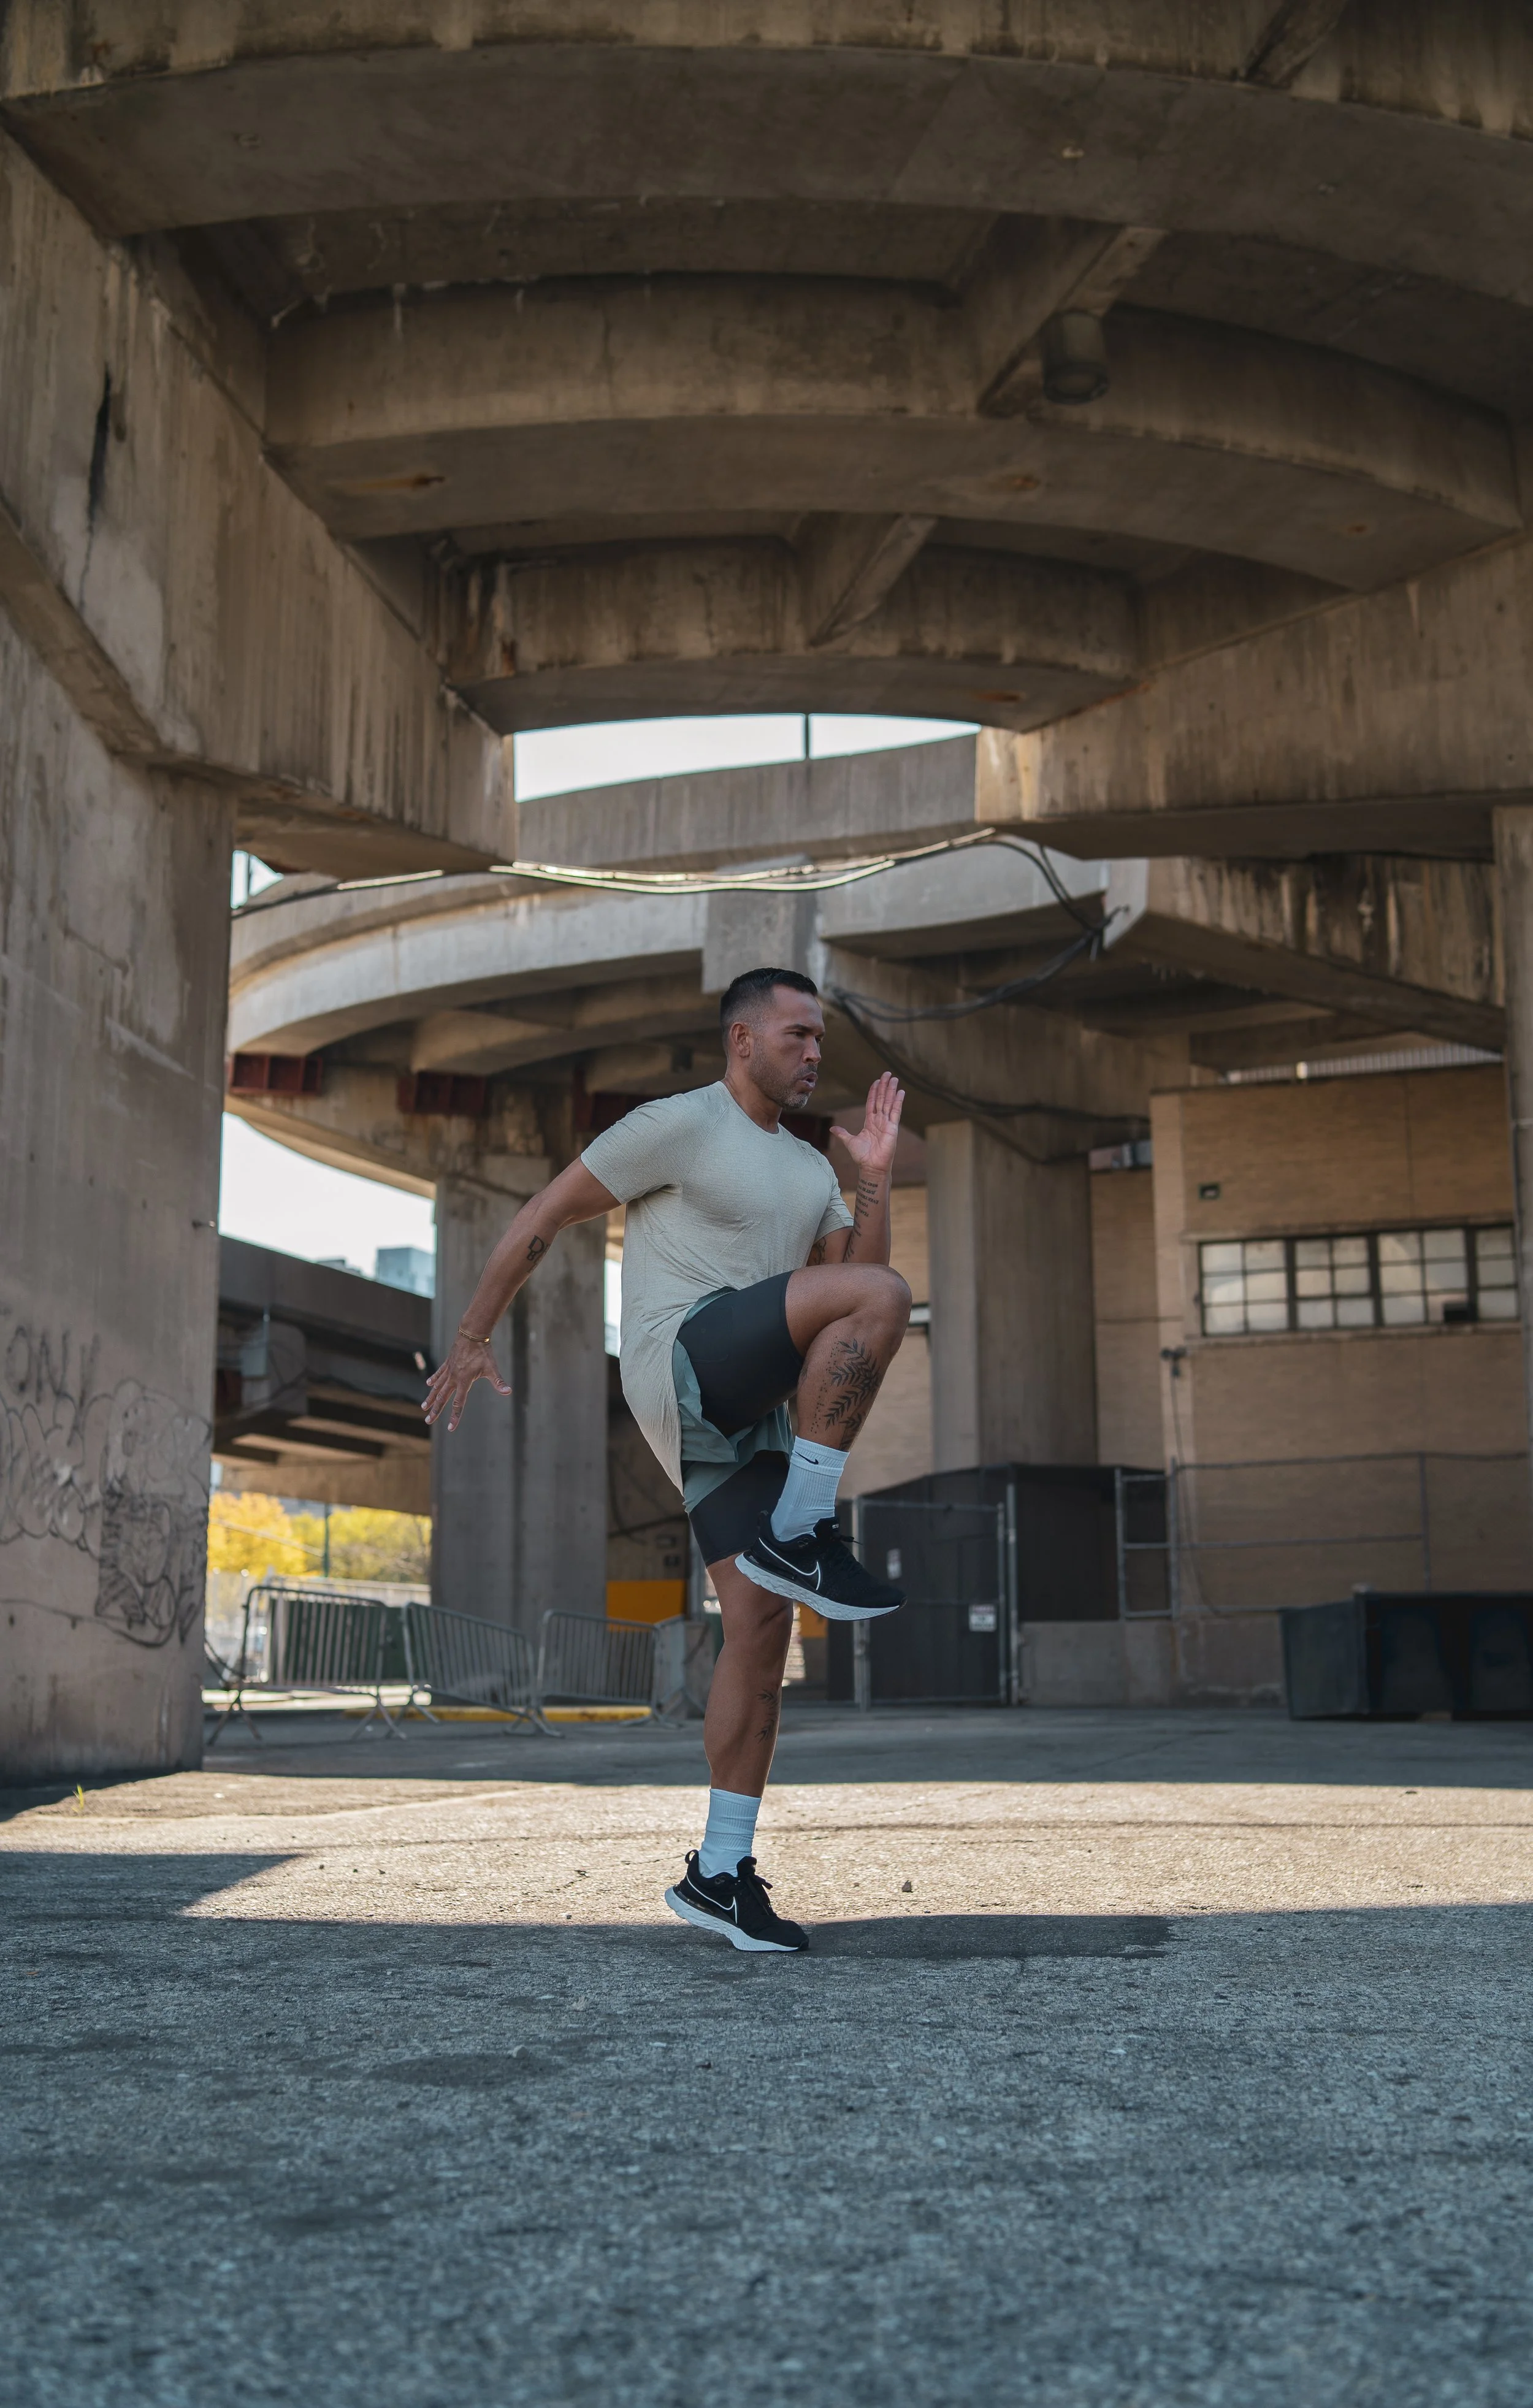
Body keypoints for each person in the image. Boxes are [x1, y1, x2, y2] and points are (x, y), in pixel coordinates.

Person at [423, 966, 912, 1953]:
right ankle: (806, 1524)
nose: (814, 1053)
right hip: (684, 1356)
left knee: (762, 1630)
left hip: (750, 1408)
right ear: (742, 1039)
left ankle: (720, 1874)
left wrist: (871, 1180)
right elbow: (542, 1217)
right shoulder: (677, 1125)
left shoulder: (811, 1169)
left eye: (821, 1039)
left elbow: (842, 1286)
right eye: (796, 1035)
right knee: (890, 1295)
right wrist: (474, 1335)